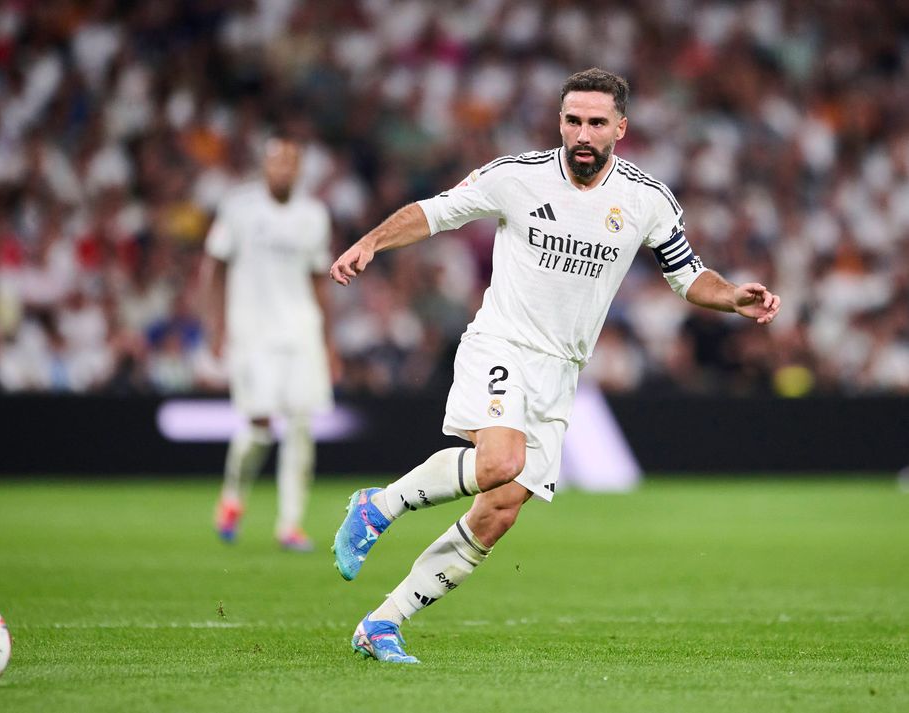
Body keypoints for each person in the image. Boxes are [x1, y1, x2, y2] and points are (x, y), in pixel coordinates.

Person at [328, 68, 781, 663]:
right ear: (560, 122)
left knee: (498, 513)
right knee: (501, 462)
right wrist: (371, 243)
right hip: (503, 343)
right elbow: (435, 212)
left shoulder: (647, 199)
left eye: (597, 122)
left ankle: (383, 624)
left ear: (621, 126)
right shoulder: (516, 177)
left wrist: (733, 298)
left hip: (562, 370)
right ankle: (378, 506)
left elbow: (686, 275)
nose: (584, 133)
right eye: (573, 120)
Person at [201, 135, 337, 552]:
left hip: (301, 332)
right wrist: (216, 327)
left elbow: (318, 278)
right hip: (253, 332)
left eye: (290, 162)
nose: (282, 169)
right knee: (259, 429)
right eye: (275, 161)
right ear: (264, 165)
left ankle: (290, 524)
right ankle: (232, 496)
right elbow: (216, 267)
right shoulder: (239, 208)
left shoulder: (314, 214)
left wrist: (329, 341)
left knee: (300, 426)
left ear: (298, 168)